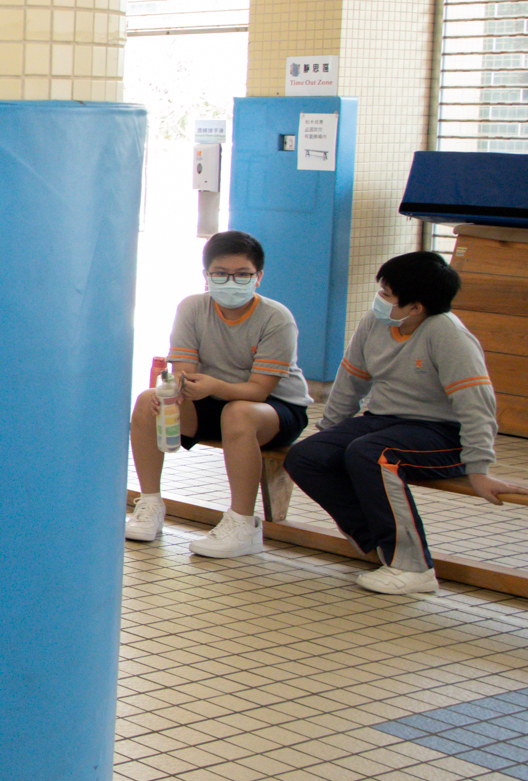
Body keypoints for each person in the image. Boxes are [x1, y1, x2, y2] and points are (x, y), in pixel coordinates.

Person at [286, 252, 526, 596]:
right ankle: (380, 545)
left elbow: (477, 404)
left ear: (415, 308)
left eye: (386, 295)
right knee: (306, 456)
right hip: (383, 420)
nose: (378, 300)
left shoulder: (446, 334)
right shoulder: (375, 322)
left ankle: (414, 566)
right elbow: (351, 380)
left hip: (442, 432)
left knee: (371, 454)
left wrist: (479, 468)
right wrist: (330, 433)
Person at [125, 231, 311, 557]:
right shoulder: (192, 307)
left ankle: (242, 524)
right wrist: (171, 390)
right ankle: (151, 505)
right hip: (210, 399)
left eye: (242, 275)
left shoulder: (276, 318)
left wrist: (214, 387)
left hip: (273, 408)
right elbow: (184, 370)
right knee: (147, 401)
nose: (231, 281)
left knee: (238, 412)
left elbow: (259, 389)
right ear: (206, 276)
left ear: (259, 277)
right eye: (221, 274)